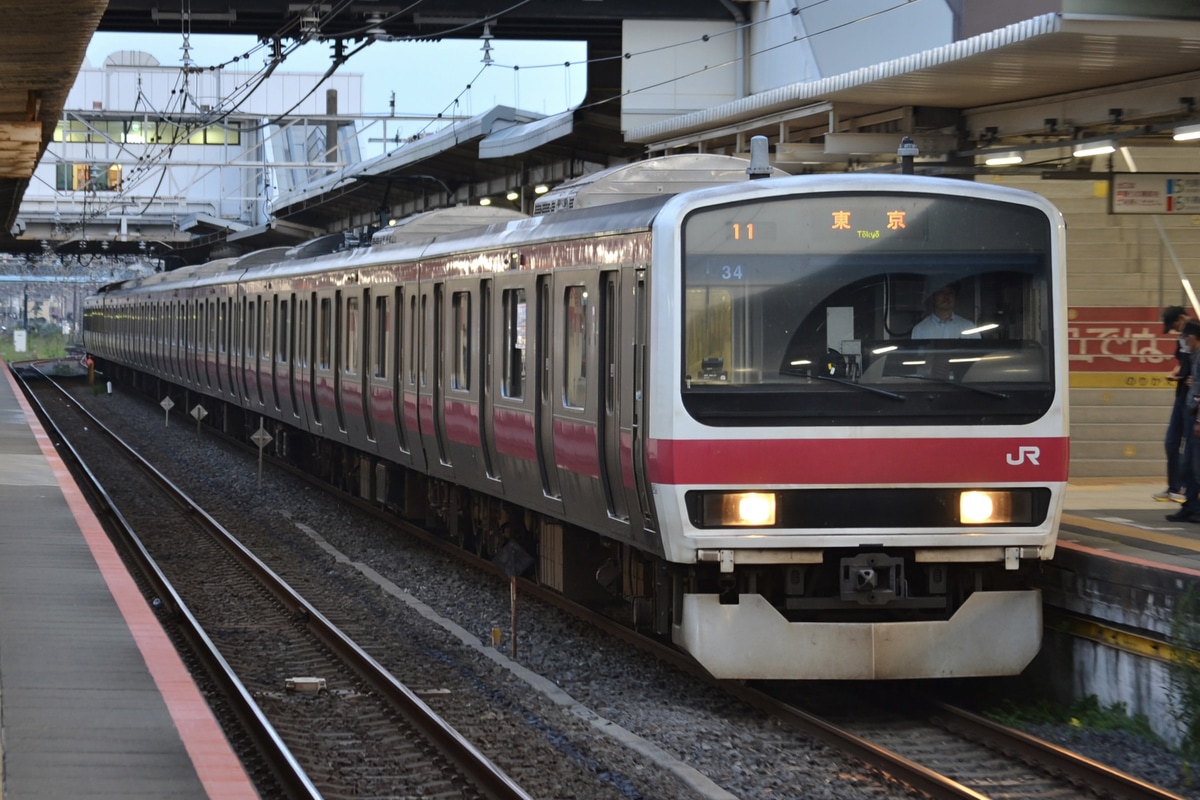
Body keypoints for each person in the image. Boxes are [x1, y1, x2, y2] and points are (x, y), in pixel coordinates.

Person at [1157, 305, 1191, 502]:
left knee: (1190, 446)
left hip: (1193, 399)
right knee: (1171, 442)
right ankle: (1174, 486)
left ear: (1182, 317)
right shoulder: (1182, 338)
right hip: (1181, 395)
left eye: (1175, 325)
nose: (1176, 330)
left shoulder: (1195, 333)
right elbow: (1182, 361)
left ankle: (1187, 488)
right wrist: (1176, 372)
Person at [1167, 319, 1200, 522]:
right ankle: (1189, 505)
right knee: (1188, 463)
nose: (1184, 341)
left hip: (1196, 416)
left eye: (1186, 337)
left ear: (1193, 337)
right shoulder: (1195, 357)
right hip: (1191, 413)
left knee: (1195, 465)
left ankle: (1193, 506)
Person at [911, 283, 981, 339]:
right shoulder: (920, 329)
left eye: (950, 293)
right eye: (941, 292)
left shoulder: (969, 327)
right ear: (933, 297)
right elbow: (917, 356)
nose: (946, 296)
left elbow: (979, 354)